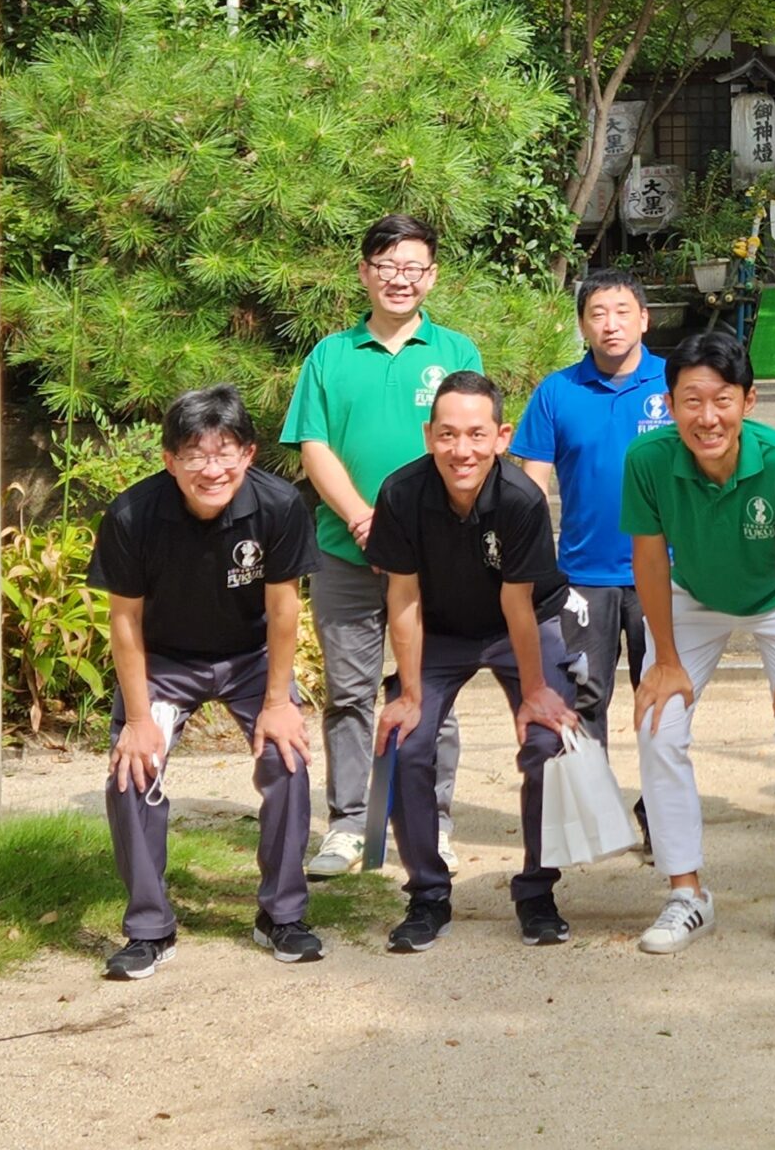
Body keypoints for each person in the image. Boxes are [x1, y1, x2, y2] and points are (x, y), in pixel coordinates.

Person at [89, 386, 320, 980]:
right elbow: (124, 620)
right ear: (170, 460)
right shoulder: (132, 515)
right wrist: (138, 721)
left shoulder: (279, 506)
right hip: (165, 659)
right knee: (132, 770)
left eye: (225, 453)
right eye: (194, 455)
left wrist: (278, 701)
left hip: (251, 657)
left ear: (249, 454)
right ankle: (149, 927)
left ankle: (282, 916)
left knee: (288, 758)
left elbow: (284, 608)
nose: (211, 470)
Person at [281, 213, 480, 878]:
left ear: (433, 276)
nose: (400, 279)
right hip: (346, 550)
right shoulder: (330, 356)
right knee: (348, 692)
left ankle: (433, 821)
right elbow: (314, 446)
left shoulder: (457, 353)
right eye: (387, 266)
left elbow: (468, 448)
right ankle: (346, 826)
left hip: (436, 558)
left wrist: (411, 530)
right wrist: (365, 519)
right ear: (365, 272)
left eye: (413, 267)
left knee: (433, 692)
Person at [626, 331, 775, 958]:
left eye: (722, 399)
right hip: (692, 594)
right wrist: (665, 660)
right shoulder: (647, 459)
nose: (708, 417)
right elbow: (649, 560)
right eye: (691, 400)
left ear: (748, 400)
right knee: (657, 725)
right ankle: (686, 893)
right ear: (669, 404)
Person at [368, 372, 585, 953]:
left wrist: (536, 690)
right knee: (407, 741)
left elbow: (518, 602)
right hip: (439, 631)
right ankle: (427, 894)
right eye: (447, 434)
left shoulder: (520, 499)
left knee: (546, 741)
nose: (461, 449)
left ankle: (537, 889)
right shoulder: (400, 493)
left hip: (521, 625)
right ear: (428, 436)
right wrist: (409, 694)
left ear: (501, 437)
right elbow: (403, 597)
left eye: (475, 434)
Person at [512, 270, 672, 749]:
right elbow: (530, 490)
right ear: (582, 325)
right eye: (597, 314)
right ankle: (591, 797)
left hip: (663, 572)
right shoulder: (556, 392)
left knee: (664, 700)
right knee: (582, 700)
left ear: (644, 319)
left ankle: (660, 798)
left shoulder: (675, 382)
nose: (611, 324)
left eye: (623, 312)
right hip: (583, 576)